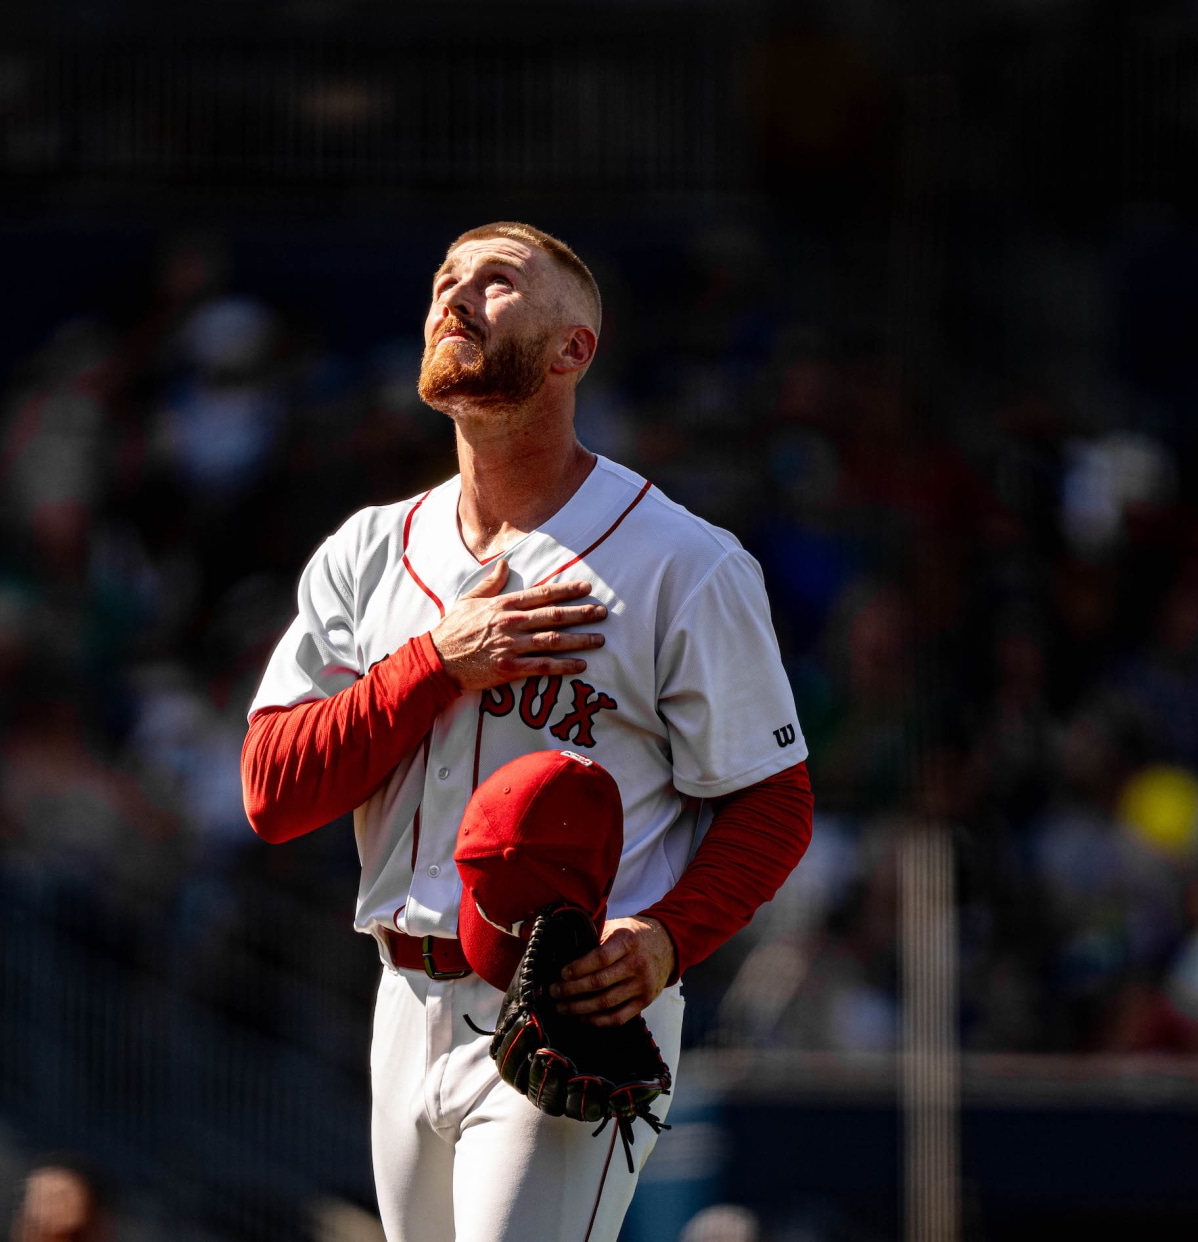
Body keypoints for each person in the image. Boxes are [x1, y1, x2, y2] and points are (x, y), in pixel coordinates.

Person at [240, 222, 813, 1241]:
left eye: (497, 281)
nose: (454, 298)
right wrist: (434, 665)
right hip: (400, 998)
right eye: (443, 280)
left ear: (572, 349)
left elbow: (773, 801)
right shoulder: (368, 552)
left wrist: (670, 936)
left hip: (565, 998)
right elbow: (273, 792)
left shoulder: (682, 562)